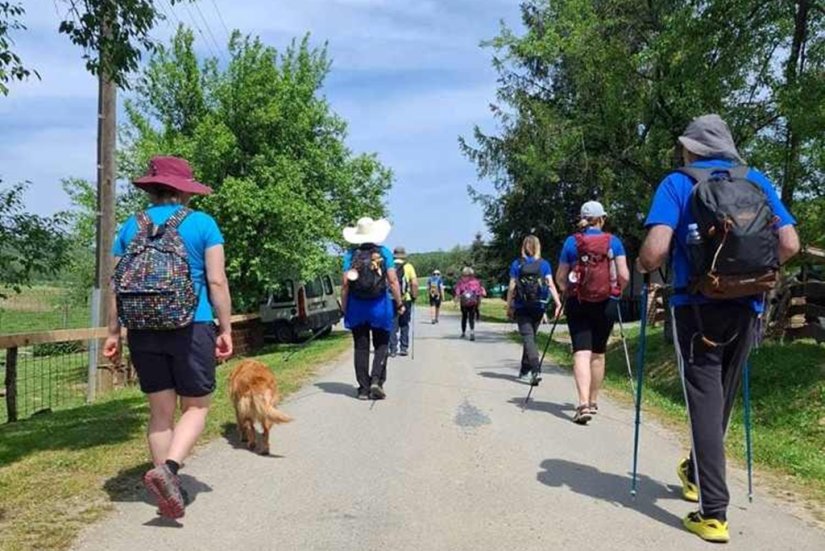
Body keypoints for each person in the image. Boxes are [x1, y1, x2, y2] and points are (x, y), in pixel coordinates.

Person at [638, 114, 799, 543]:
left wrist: (642, 266)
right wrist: (754, 274)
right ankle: (695, 470)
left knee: (705, 401)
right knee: (721, 399)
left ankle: (713, 511)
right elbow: (790, 244)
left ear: (692, 147)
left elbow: (655, 251)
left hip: (696, 306)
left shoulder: (677, 182)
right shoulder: (757, 180)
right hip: (747, 305)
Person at [103, 156, 233, 519]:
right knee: (196, 407)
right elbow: (217, 281)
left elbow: (116, 286)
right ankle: (169, 471)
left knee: (160, 414)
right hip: (192, 325)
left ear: (153, 188)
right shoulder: (202, 224)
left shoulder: (130, 227)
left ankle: (167, 491)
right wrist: (225, 328)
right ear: (184, 190)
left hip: (142, 330)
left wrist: (114, 333)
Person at [555, 201, 629, 425]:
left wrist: (566, 290)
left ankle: (583, 403)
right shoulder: (613, 242)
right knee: (598, 352)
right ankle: (594, 401)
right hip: (607, 303)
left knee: (581, 352)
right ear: (602, 219)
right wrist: (617, 291)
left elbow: (560, 276)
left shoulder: (571, 243)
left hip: (578, 302)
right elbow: (624, 275)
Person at [341, 217, 405, 400]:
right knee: (382, 344)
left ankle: (363, 388)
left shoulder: (350, 255)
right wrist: (399, 303)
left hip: (357, 307)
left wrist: (344, 308)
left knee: (360, 347)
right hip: (380, 306)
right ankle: (376, 380)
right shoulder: (384, 252)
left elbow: (345, 284)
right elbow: (393, 281)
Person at [507, 235, 562, 386]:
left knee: (528, 338)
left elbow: (512, 287)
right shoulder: (544, 264)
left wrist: (509, 305)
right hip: (539, 306)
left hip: (522, 306)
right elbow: (550, 285)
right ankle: (525, 370)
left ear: (523, 247)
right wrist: (558, 304)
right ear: (538, 247)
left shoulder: (517, 264)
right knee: (530, 338)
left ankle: (535, 369)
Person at [389, 246, 418, 357]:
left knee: (392, 324)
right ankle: (404, 348)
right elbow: (414, 284)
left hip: (391, 299)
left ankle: (392, 349)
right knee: (404, 324)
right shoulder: (409, 267)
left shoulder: (389, 266)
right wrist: (414, 296)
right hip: (405, 299)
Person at [453, 266, 486, 341]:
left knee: (464, 317)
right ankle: (472, 332)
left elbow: (457, 293)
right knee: (471, 317)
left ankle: (463, 333)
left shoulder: (460, 282)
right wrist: (479, 304)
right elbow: (479, 293)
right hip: (473, 302)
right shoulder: (476, 282)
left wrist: (456, 302)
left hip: (464, 302)